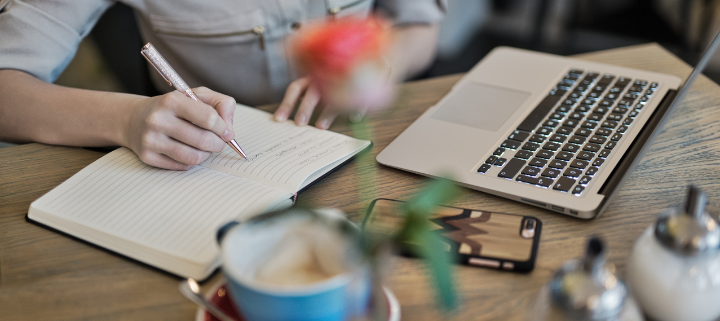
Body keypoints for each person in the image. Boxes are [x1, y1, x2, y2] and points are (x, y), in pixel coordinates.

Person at [0, 0, 444, 170]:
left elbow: (421, 26)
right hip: (209, 167)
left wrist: (383, 61)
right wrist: (127, 117)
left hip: (370, 144)